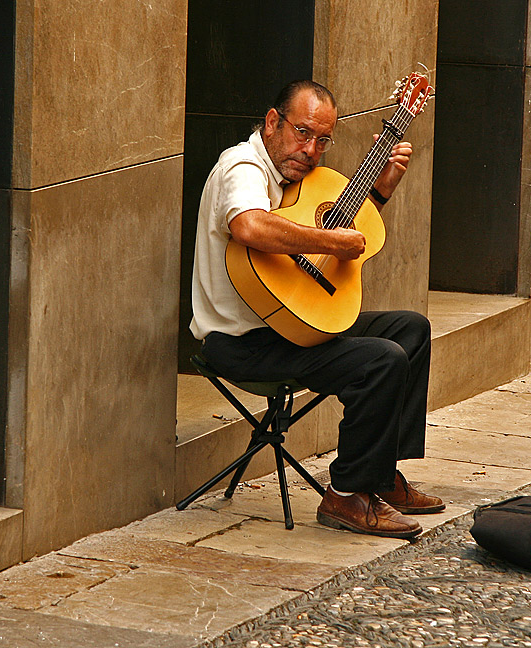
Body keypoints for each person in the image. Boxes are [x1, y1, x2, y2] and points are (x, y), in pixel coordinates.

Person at [189, 79, 442, 540]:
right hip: (243, 341)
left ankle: (382, 478)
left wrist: (379, 191)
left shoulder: (297, 180)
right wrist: (330, 240)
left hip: (293, 323)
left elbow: (344, 230)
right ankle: (347, 494)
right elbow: (250, 226)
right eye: (302, 132)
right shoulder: (242, 167)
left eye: (322, 140)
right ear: (272, 122)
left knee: (411, 330)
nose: (310, 149)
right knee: (380, 360)